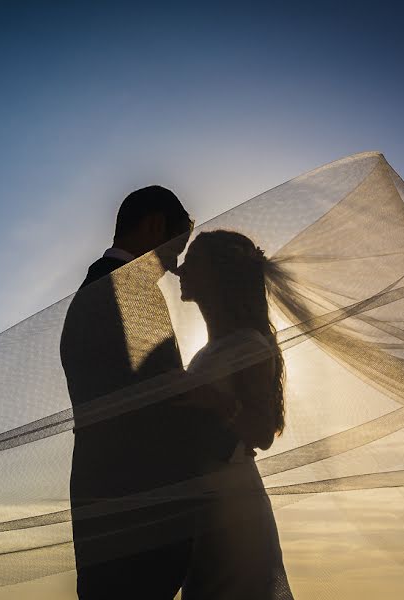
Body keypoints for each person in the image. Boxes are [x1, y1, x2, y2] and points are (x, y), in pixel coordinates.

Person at [59, 185, 196, 600]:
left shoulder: (93, 287)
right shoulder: (128, 290)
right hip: (137, 504)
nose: (174, 266)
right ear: (154, 226)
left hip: (102, 496)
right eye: (176, 249)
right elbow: (162, 393)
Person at [175, 229, 295, 599]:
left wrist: (216, 402)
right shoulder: (213, 346)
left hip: (233, 506)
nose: (179, 270)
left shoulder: (249, 345)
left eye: (191, 261)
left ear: (216, 274)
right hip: (207, 500)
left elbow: (262, 431)